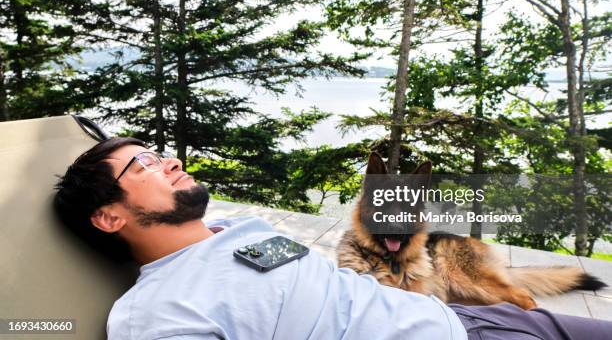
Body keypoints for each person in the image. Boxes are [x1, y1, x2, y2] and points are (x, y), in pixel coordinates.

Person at [54, 137, 612, 340]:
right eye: (145, 165)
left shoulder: (231, 227)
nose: (169, 160)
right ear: (108, 217)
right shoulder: (157, 313)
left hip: (465, 319)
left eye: (159, 152)